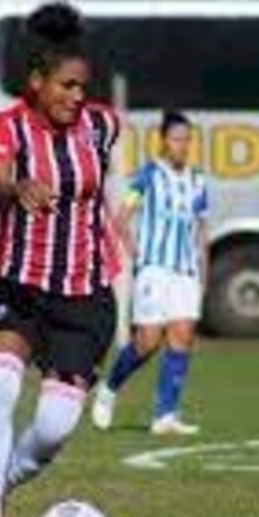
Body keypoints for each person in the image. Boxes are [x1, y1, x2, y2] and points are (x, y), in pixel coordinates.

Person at [0, 2, 121, 517]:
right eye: (66, 85)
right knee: (0, 387)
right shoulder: (3, 128)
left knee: (54, 429)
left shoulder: (104, 126)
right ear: (35, 82)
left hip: (84, 295)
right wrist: (17, 190)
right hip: (17, 289)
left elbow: (101, 194)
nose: (78, 96)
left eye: (83, 86)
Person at [91, 110, 210, 436]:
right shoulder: (148, 175)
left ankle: (165, 416)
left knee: (182, 337)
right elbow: (121, 216)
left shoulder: (198, 181)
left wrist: (204, 271)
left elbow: (201, 230)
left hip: (186, 271)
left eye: (187, 139)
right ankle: (109, 388)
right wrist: (137, 254)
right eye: (176, 139)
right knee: (147, 341)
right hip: (155, 269)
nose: (182, 145)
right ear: (163, 141)